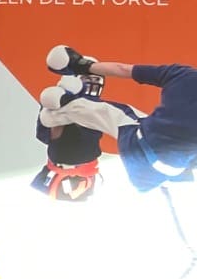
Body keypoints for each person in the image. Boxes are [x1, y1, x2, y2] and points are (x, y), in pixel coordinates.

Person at [37, 48, 197, 194]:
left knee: (116, 114)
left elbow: (123, 69)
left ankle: (65, 106)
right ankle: (67, 106)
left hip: (140, 152)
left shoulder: (183, 74)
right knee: (120, 117)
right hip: (163, 173)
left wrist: (82, 65)